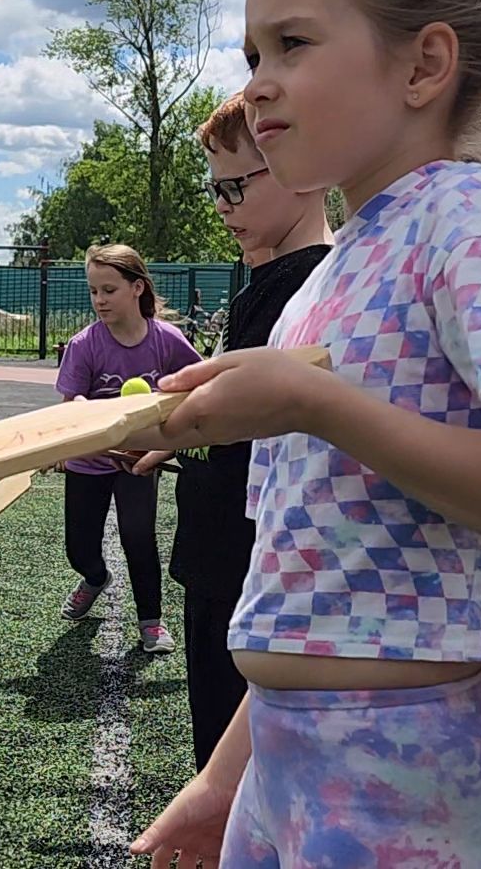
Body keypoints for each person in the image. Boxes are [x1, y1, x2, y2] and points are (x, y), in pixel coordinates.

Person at [124, 0, 481, 868]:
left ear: (425, 65)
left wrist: (312, 400)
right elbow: (308, 576)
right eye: (252, 55)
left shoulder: (479, 221)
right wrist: (224, 782)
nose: (259, 84)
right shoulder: (338, 268)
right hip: (282, 761)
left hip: (411, 783)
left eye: (293, 45)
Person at [130, 91, 333, 772]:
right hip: (225, 556)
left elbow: (261, 415)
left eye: (234, 187)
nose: (222, 206)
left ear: (299, 167)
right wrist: (168, 437)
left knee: (239, 767)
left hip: (252, 566)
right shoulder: (269, 280)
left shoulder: (304, 284)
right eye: (214, 190)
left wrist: (166, 427)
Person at [55, 243, 203, 654]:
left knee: (139, 537)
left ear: (137, 288)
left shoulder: (167, 341)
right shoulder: (84, 345)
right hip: (88, 461)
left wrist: (160, 451)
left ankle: (151, 623)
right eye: (93, 291)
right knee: (79, 548)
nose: (99, 300)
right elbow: (72, 405)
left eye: (109, 290)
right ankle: (95, 577)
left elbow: (197, 391)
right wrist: (84, 416)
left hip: (139, 462)